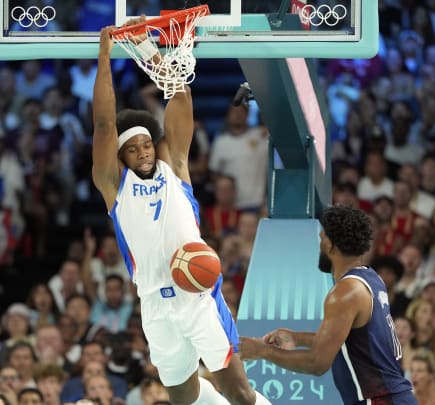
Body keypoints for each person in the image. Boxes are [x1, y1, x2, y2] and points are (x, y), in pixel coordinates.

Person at [92, 21, 270, 405]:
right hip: (154, 302)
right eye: (132, 148)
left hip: (198, 294)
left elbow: (182, 97)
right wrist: (105, 55)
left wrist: (149, 51)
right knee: (184, 397)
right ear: (120, 157)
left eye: (146, 144)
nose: (143, 151)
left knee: (240, 393)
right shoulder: (114, 186)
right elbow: (105, 124)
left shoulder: (175, 166)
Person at [239, 206, 416, 404]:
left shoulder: (345, 292)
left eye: (322, 239)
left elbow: (317, 363)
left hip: (379, 400)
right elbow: (352, 341)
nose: (320, 245)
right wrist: (297, 338)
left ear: (331, 245)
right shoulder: (371, 278)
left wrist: (261, 351)